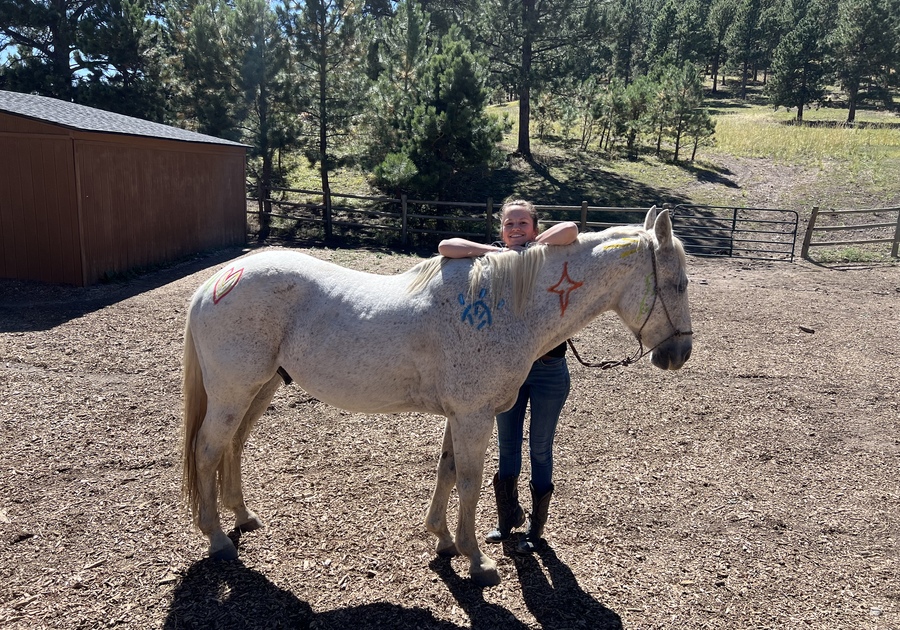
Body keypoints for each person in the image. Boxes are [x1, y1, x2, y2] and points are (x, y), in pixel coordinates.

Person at [438, 198, 578, 554]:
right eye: (509, 224)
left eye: (523, 224)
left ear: (534, 226)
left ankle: (536, 528)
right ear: (501, 230)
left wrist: (534, 246)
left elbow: (572, 230)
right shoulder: (494, 257)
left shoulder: (545, 256)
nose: (516, 229)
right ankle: (506, 520)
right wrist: (496, 249)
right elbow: (445, 247)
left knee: (541, 449)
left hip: (548, 371)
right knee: (508, 448)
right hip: (504, 372)